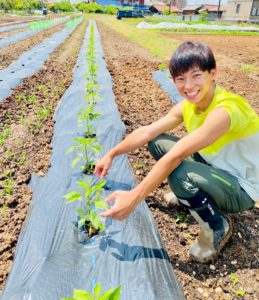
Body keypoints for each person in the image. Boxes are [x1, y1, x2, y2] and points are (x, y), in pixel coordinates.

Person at [94, 41, 258, 263]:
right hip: (216, 167)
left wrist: (134, 198)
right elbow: (147, 132)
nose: (188, 86)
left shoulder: (225, 110)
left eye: (196, 75)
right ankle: (194, 195)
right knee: (157, 142)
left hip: (243, 187)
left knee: (179, 174)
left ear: (213, 73)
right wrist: (111, 154)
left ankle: (217, 228)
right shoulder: (188, 106)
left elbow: (176, 157)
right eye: (180, 79)